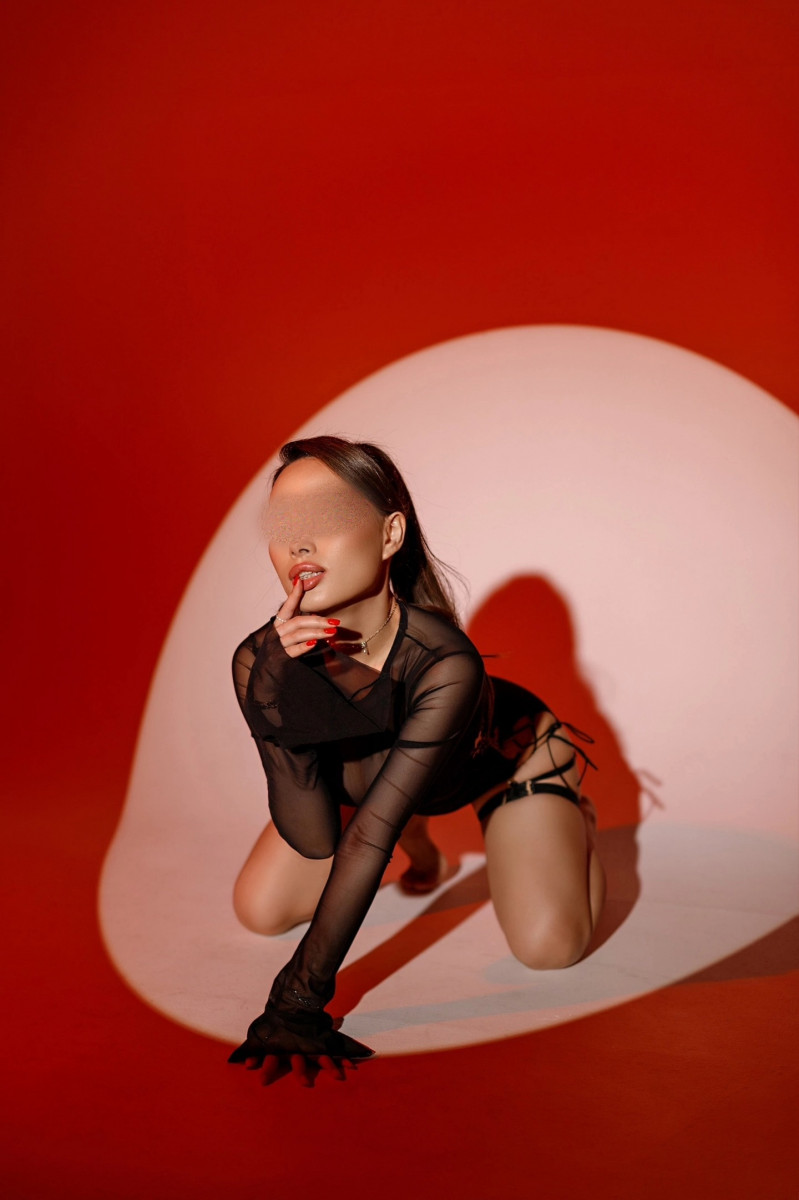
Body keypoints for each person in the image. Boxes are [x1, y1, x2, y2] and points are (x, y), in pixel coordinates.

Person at [228, 436, 605, 1081]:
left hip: (504, 757)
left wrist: (298, 999)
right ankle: (423, 840)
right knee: (258, 910)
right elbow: (315, 837)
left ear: (389, 534)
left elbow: (369, 837)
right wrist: (272, 702)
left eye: (326, 519)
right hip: (388, 783)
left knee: (548, 948)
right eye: (283, 526)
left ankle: (571, 817)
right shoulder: (261, 659)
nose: (299, 545)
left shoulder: (445, 663)